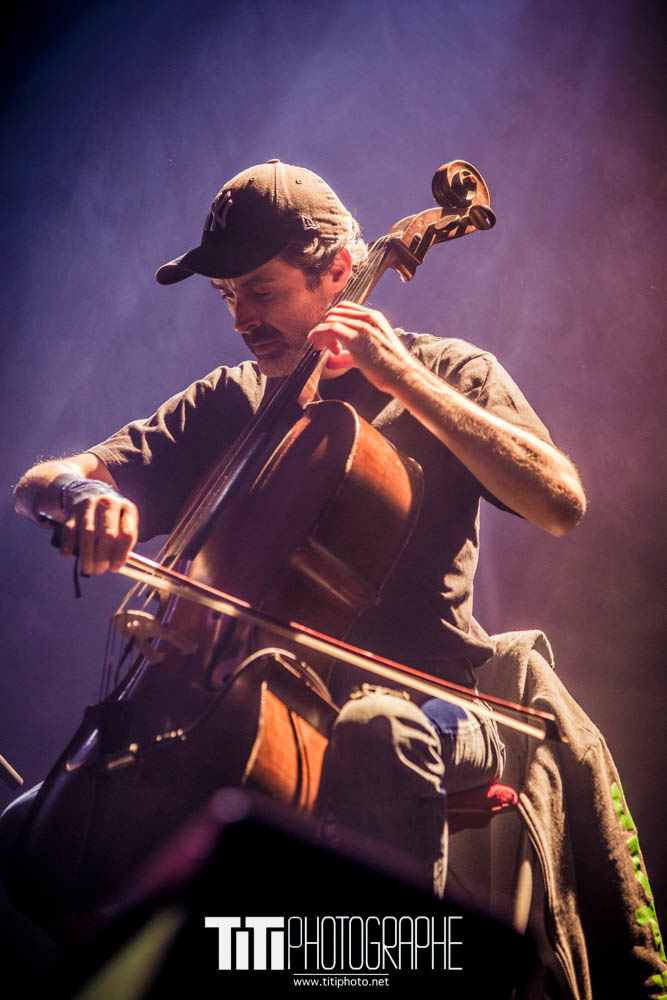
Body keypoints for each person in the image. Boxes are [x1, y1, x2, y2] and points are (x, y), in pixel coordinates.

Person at [10, 159, 586, 899]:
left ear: (339, 272)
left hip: (427, 704)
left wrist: (403, 378)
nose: (243, 318)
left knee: (375, 732)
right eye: (227, 296)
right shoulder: (230, 400)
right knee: (32, 834)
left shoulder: (447, 372)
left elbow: (559, 502)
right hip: (235, 703)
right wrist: (84, 492)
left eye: (262, 290)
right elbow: (38, 485)